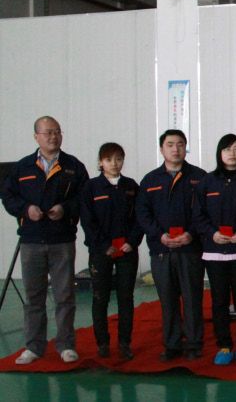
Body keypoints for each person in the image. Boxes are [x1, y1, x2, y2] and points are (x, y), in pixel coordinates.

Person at [1, 116, 89, 365]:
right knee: (34, 297)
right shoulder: (23, 167)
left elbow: (84, 199)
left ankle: (66, 345)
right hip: (31, 240)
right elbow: (8, 196)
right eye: (48, 132)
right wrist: (25, 209)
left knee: (64, 296)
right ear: (36, 136)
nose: (53, 136)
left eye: (57, 131)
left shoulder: (74, 166)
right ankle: (34, 347)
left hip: (62, 240)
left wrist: (65, 209)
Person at [136, 129, 206, 361]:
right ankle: (172, 344)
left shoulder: (199, 177)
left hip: (190, 249)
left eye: (180, 144)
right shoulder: (150, 180)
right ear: (161, 148)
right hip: (161, 250)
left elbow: (206, 212)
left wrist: (191, 234)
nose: (175, 149)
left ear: (185, 148)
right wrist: (159, 235)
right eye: (170, 144)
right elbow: (143, 213)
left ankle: (194, 344)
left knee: (192, 299)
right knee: (168, 300)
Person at [193, 134, 236, 365]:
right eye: (227, 149)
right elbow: (198, 215)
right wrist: (212, 233)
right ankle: (223, 345)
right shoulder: (207, 182)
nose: (232, 153)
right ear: (220, 153)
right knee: (219, 300)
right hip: (215, 251)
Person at [79, 142, 142, 361]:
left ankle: (125, 343)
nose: (114, 164)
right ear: (100, 162)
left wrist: (132, 241)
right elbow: (87, 221)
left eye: (118, 159)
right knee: (100, 297)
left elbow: (140, 218)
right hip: (101, 252)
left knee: (126, 297)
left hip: (127, 250)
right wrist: (104, 245)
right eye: (108, 159)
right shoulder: (91, 188)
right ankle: (102, 343)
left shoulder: (131, 186)